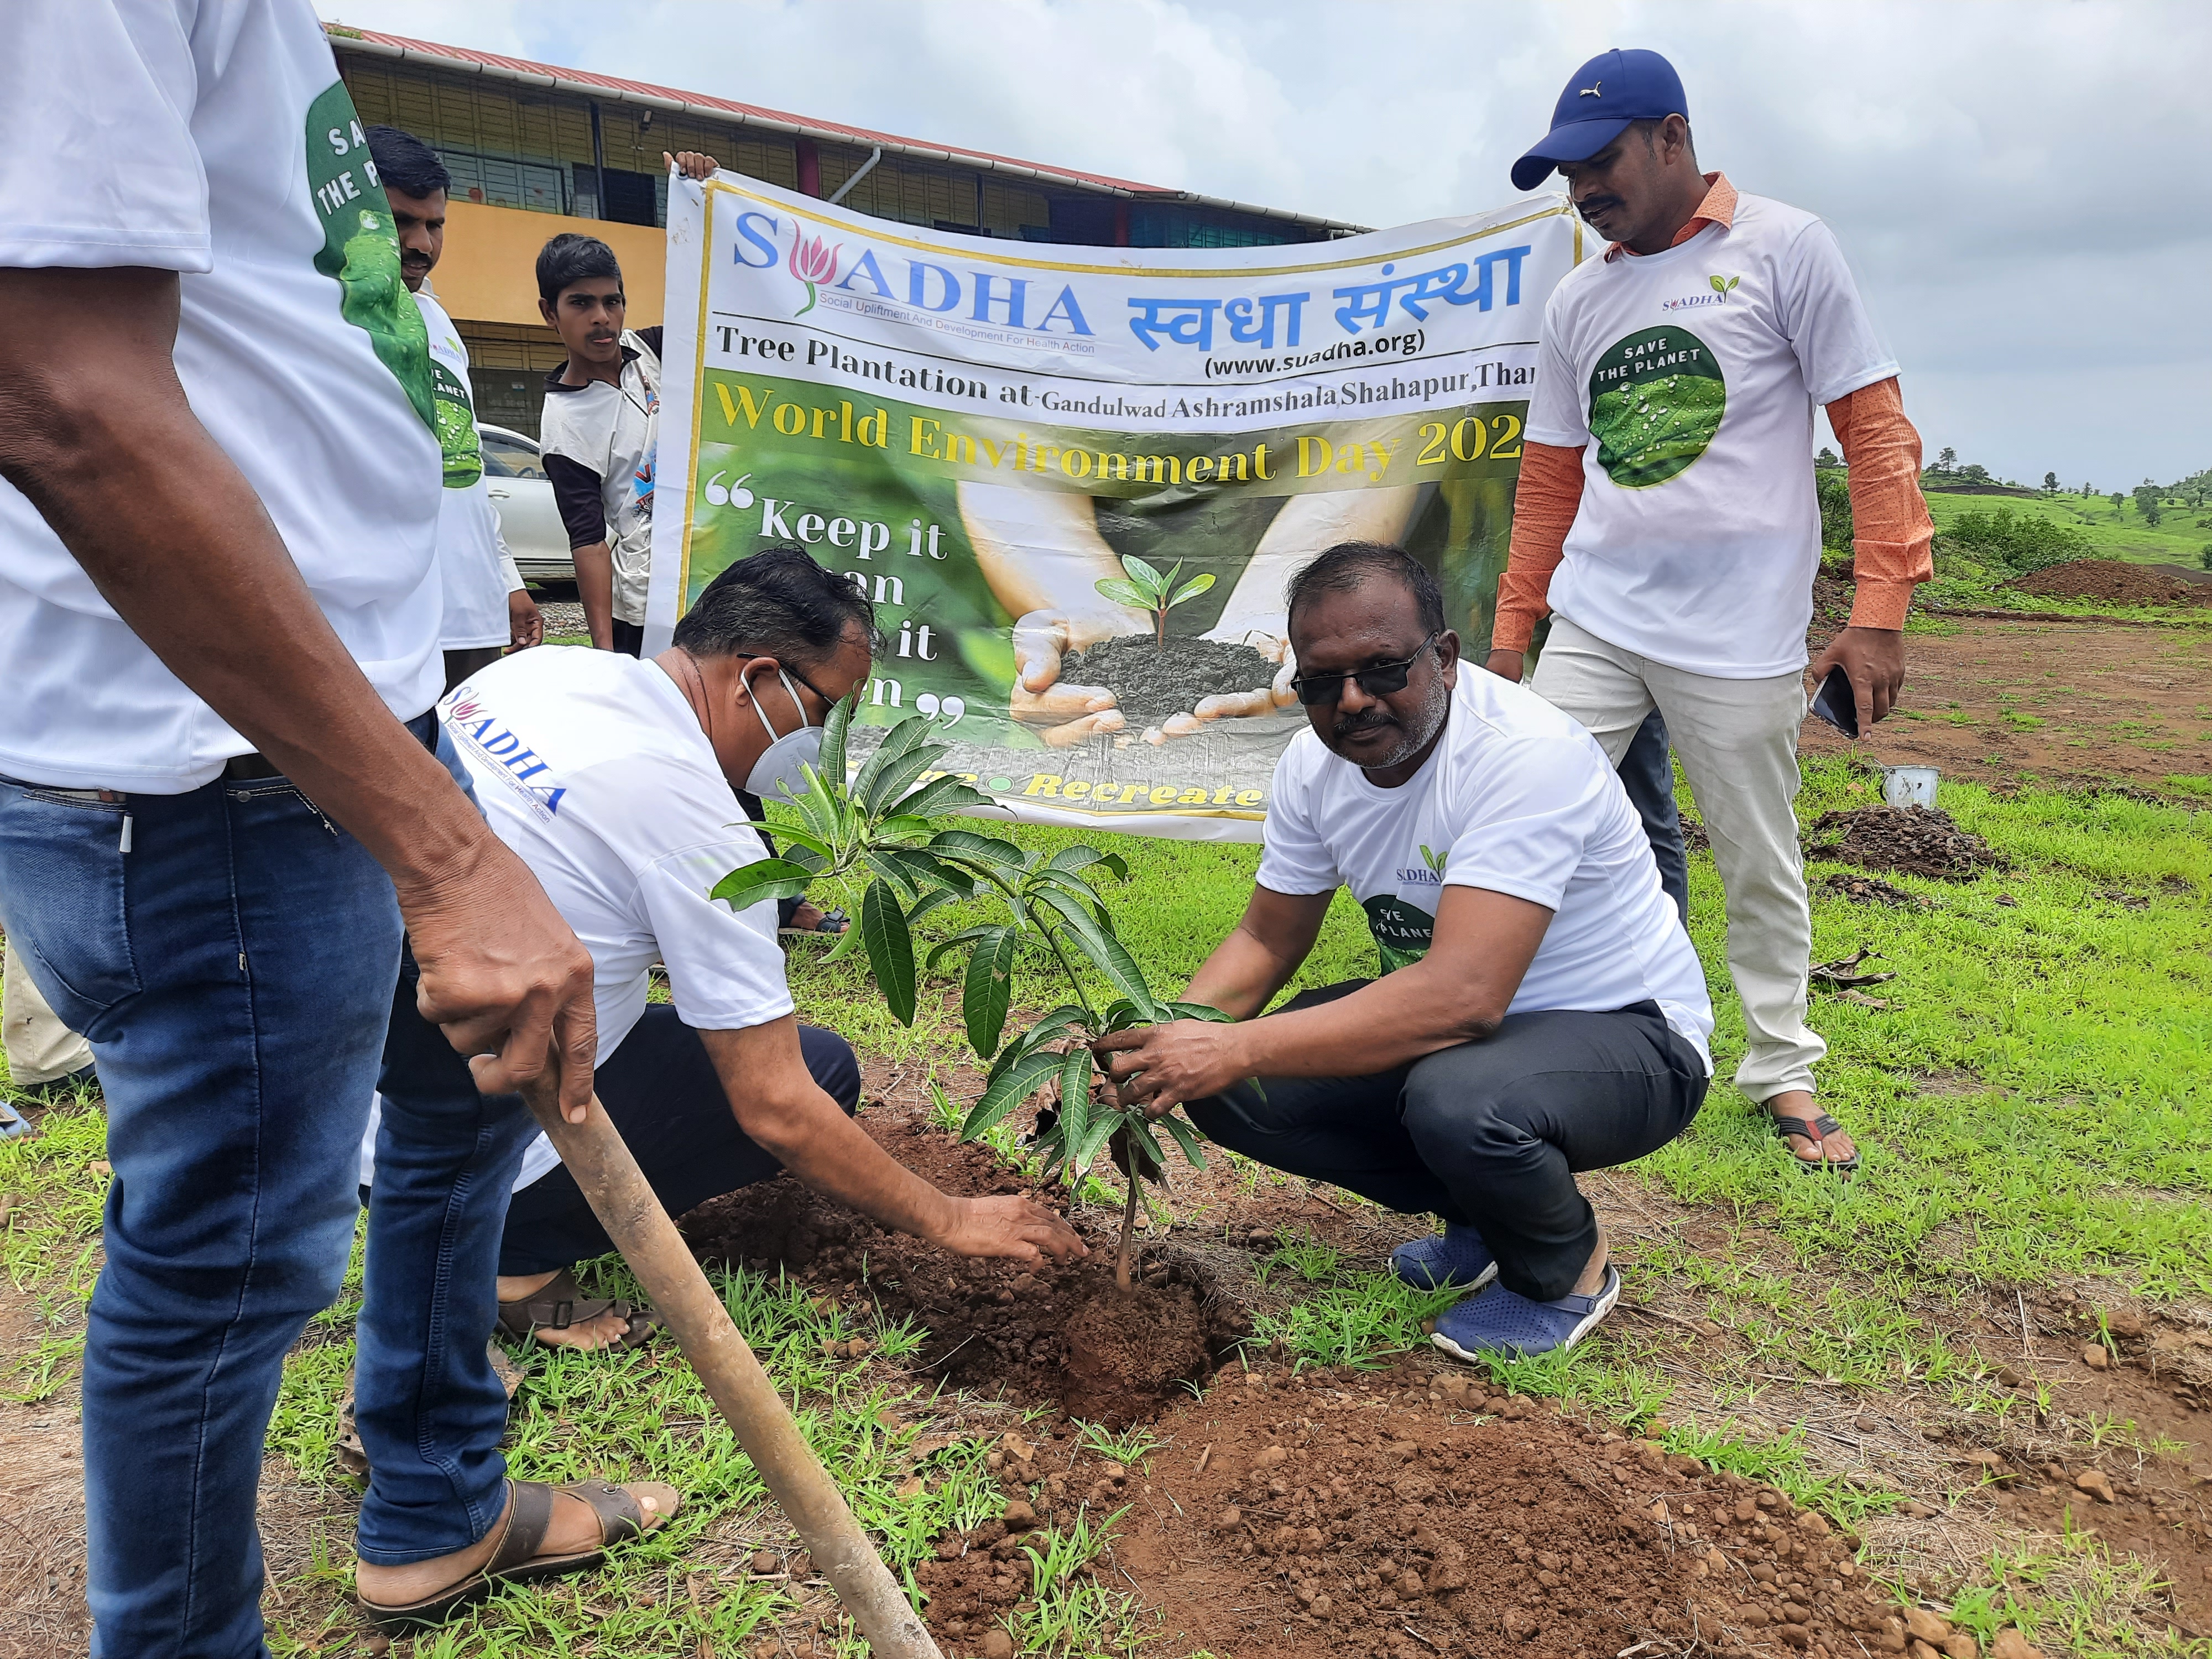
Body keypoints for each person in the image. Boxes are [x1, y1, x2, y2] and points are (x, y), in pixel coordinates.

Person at [0, 3, 628, 1653]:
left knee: (462, 1101)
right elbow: (57, 390)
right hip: (208, 775)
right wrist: (444, 852)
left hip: (344, 723)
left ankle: (435, 1497)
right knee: (226, 1276)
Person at [362, 546, 1085, 1367]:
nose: (825, 743)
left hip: (370, 1100)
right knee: (817, 1075)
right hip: (476, 1156)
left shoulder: (536, 674)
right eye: (826, 713)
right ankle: (515, 1262)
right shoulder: (702, 832)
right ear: (760, 679)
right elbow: (774, 1104)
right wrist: (951, 1218)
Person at [1095, 542, 1712, 1360]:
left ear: (1445, 659)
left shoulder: (1523, 755)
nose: (1353, 701)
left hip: (1630, 1036)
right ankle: (1489, 1214)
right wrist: (1163, 1044)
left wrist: (1232, 1044)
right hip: (1466, 1037)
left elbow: (1465, 997)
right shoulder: (1313, 770)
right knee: (1234, 1092)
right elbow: (1265, 937)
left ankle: (1567, 1273)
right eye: (1322, 681)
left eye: (1383, 669)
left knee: (1459, 1100)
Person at [1490, 49, 1933, 1172]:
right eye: (1565, 175)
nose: (1582, 190)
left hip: (1736, 636)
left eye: (1599, 163)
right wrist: (1511, 627)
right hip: (1594, 617)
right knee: (1517, 812)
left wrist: (1878, 607)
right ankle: (1518, 1023)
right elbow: (1548, 476)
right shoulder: (1580, 298)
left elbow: (1872, 435)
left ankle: (1781, 1068)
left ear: (1671, 141)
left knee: (1754, 854)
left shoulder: (1785, 249)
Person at [368, 124, 543, 692]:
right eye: (401, 221)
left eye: (435, 224)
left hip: (470, 613)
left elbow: (464, 471)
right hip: (385, 621)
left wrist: (507, 582)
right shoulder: (324, 317)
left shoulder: (439, 323)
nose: (422, 244)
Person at [535, 166, 715, 656]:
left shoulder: (657, 351)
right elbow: (589, 542)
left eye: (612, 301)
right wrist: (604, 653)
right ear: (549, 313)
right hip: (643, 605)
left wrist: (705, 198)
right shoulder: (562, 424)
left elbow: (719, 303)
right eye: (581, 303)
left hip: (711, 575)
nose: (602, 318)